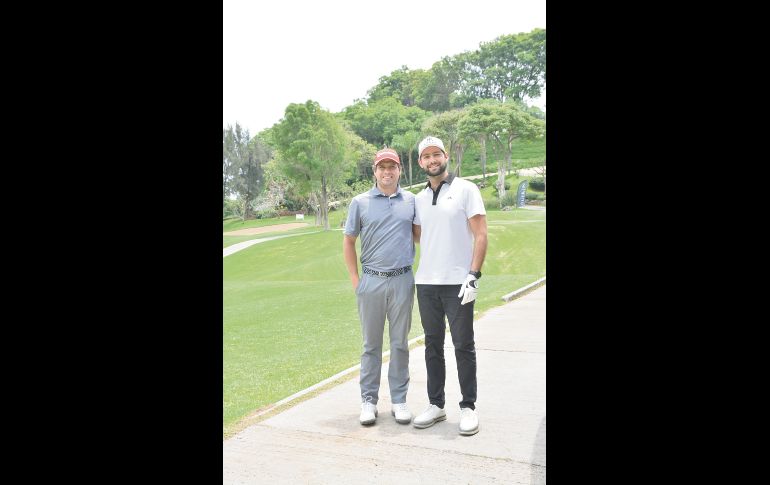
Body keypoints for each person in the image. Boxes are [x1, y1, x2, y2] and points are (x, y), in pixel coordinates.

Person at [411, 136, 488, 436]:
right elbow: (419, 236)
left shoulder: (466, 189)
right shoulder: (418, 198)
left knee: (463, 345)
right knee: (432, 345)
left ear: (445, 156)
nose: (432, 160)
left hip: (458, 282)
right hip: (427, 282)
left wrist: (473, 275)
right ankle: (436, 404)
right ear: (420, 162)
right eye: (426, 156)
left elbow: (480, 235)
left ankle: (468, 407)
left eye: (436, 154)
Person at [343, 148, 416, 426]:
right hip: (371, 280)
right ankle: (368, 401)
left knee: (399, 344)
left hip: (402, 280)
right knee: (370, 345)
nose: (387, 171)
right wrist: (356, 281)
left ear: (400, 170)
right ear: (374, 172)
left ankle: (399, 400)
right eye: (382, 167)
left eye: (392, 167)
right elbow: (349, 241)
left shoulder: (410, 200)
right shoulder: (359, 202)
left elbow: (420, 234)